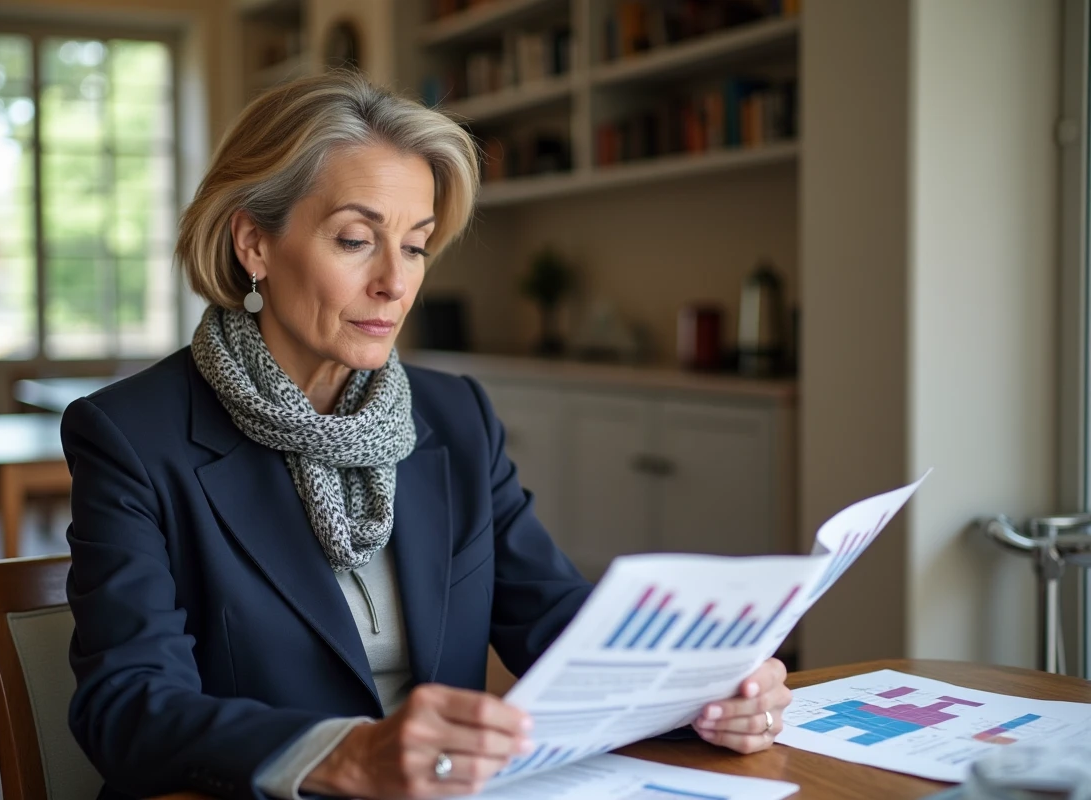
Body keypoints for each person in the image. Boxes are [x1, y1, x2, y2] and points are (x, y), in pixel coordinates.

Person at [62, 69, 793, 800]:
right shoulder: (132, 435)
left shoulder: (456, 417)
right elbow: (125, 705)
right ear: (254, 242)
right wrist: (345, 755)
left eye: (414, 246)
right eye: (356, 239)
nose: (395, 282)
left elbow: (555, 618)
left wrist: (704, 686)